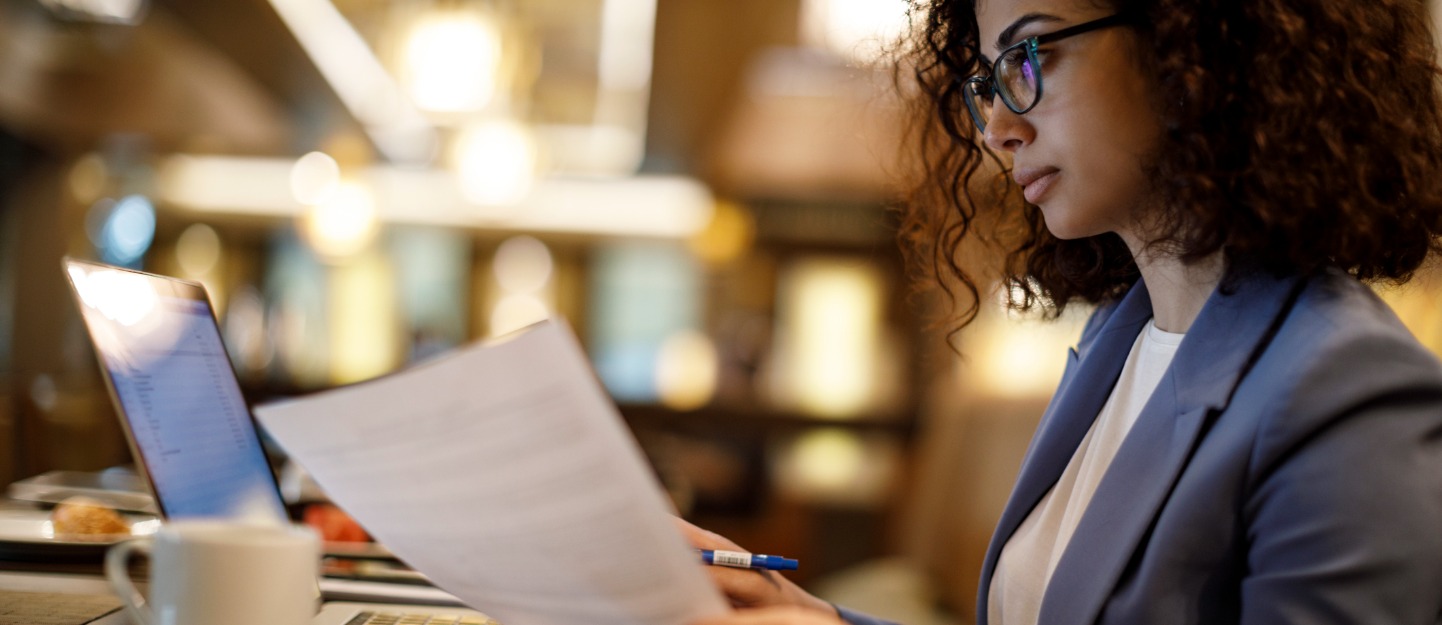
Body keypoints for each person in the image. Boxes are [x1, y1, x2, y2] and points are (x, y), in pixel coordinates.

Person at [685, 0, 1442, 623]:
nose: (997, 128)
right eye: (988, 80)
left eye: (1029, 57)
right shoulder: (1121, 336)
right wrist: (811, 614)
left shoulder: (1353, 394)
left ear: (1191, 41)